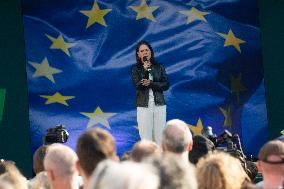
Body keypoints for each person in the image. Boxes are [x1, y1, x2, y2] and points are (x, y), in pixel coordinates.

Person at [131, 41, 169, 145]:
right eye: (142, 51)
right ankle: (147, 159)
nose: (145, 52)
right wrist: (145, 70)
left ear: (150, 52)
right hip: (143, 106)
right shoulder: (136, 69)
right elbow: (138, 85)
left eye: (147, 50)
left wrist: (151, 83)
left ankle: (160, 160)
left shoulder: (159, 66)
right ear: (138, 54)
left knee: (160, 136)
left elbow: (166, 85)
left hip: (159, 105)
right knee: (146, 137)